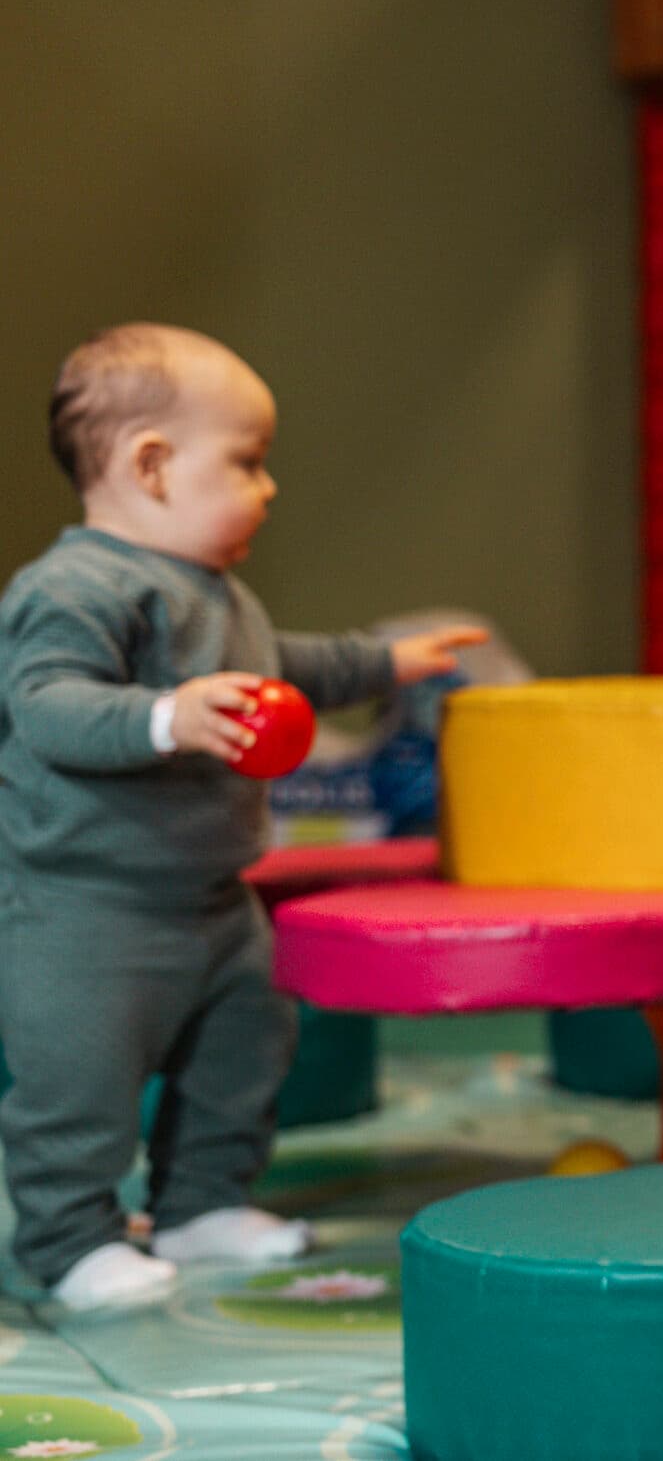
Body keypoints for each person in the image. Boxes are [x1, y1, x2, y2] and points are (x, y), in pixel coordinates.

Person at [0, 323, 484, 1310]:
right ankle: (67, 1238)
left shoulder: (218, 593)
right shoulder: (74, 588)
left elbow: (290, 665)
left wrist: (386, 662)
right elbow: (44, 703)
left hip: (214, 899)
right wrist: (167, 716)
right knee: (79, 1088)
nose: (268, 487)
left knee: (246, 1048)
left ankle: (201, 1202)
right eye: (247, 462)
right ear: (151, 465)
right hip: (85, 908)